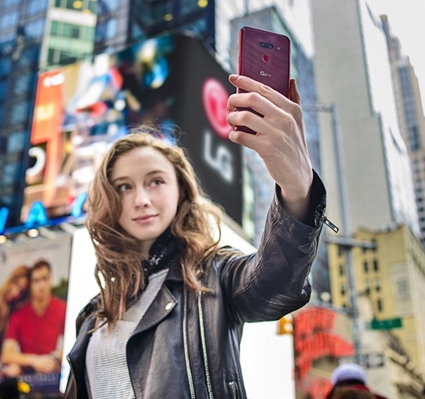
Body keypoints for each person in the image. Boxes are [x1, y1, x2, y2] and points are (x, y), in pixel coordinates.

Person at [63, 74, 328, 398]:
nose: (141, 199)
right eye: (124, 187)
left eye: (155, 181)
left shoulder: (214, 277)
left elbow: (275, 283)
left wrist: (297, 189)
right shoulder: (93, 316)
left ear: (181, 192)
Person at [0, 260, 66, 375]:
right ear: (30, 284)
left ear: (50, 279)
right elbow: (7, 354)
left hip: (53, 370)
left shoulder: (63, 309)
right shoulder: (18, 315)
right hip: (26, 374)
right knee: (12, 371)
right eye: (36, 281)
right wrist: (35, 361)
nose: (41, 286)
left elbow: (74, 343)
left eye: (44, 279)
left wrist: (54, 358)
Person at [0, 265, 30, 379]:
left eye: (21, 292)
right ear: (11, 280)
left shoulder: (15, 313)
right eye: (16, 285)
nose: (15, 293)